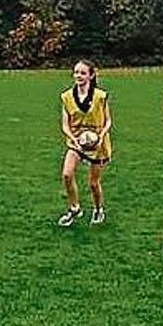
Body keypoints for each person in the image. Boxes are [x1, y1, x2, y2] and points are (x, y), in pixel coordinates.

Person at [56, 60, 112, 227]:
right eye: (76, 73)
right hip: (76, 142)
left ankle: (98, 209)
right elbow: (65, 125)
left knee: (93, 183)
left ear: (91, 75)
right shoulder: (66, 97)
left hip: (97, 143)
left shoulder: (100, 96)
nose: (78, 76)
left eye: (82, 73)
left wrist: (100, 136)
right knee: (67, 174)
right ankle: (74, 208)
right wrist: (74, 140)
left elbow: (108, 121)